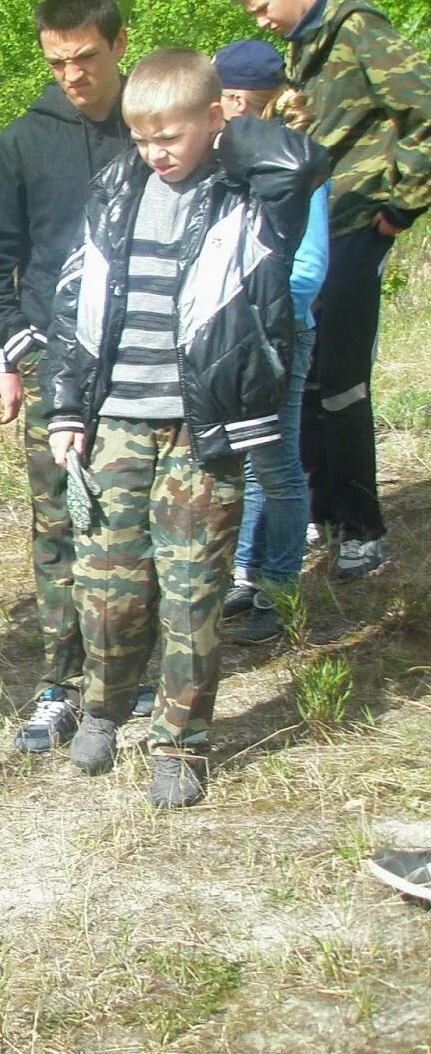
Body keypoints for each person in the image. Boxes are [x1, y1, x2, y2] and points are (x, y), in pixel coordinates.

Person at [47, 48, 327, 808]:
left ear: (213, 118)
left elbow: (302, 162)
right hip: (114, 425)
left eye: (170, 136)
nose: (156, 153)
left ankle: (180, 742)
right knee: (108, 591)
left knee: (192, 593)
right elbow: (73, 305)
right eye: (142, 137)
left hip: (204, 431)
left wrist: (229, 131)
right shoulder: (115, 190)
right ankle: (104, 708)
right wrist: (67, 410)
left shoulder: (250, 197)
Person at [0, 0, 152, 753]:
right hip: (58, 368)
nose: (72, 74)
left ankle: (133, 674)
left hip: (147, 362)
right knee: (60, 525)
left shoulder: (155, 125)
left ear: (119, 43)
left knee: (140, 524)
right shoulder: (22, 142)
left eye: (86, 57)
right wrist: (24, 348)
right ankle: (60, 683)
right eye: (56, 61)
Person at [231, 0, 431, 578]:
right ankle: (322, 513)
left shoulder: (358, 29)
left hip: (355, 226)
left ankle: (361, 528)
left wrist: (401, 206)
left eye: (264, 6)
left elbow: (423, 109)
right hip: (315, 229)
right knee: (309, 377)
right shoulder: (305, 46)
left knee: (341, 381)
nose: (262, 21)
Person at [211, 40, 331, 646]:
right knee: (254, 459)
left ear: (238, 101)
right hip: (238, 334)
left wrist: (259, 306)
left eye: (217, 99)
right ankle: (247, 575)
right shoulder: (231, 162)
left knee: (278, 465)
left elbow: (309, 269)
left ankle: (279, 591)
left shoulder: (294, 160)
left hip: (282, 332)